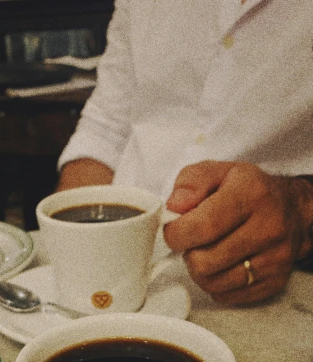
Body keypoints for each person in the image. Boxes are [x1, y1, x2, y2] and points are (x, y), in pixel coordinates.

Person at [56, 0, 313, 305]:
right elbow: (105, 128)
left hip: (273, 284)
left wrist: (300, 208)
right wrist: (71, 250)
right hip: (115, 273)